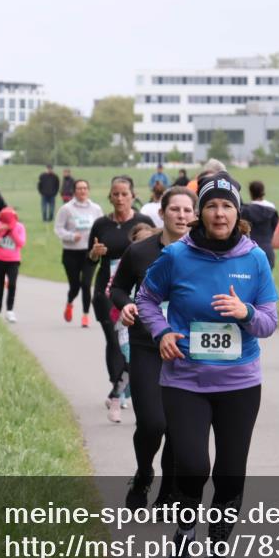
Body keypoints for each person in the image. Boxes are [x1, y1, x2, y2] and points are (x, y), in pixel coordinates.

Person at [137, 170, 278, 558]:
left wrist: (246, 313)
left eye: (227, 206)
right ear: (200, 212)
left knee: (231, 473)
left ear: (238, 213)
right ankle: (183, 535)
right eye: (212, 206)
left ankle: (216, 554)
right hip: (185, 380)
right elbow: (146, 299)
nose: (220, 214)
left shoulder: (254, 259)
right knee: (194, 466)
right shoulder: (176, 256)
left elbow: (269, 322)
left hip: (239, 383)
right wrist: (161, 330)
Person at [110, 186, 196, 512]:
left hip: (188, 350)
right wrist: (127, 305)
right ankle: (144, 473)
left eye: (188, 211)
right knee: (152, 423)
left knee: (178, 427)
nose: (182, 216)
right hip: (147, 345)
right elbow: (117, 288)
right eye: (175, 210)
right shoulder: (140, 252)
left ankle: (169, 493)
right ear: (162, 214)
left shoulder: (204, 253)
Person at [87, 177, 155, 422]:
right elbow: (89, 259)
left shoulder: (144, 223)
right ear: (110, 197)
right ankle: (118, 387)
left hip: (134, 290)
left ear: (132, 195)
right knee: (114, 343)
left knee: (131, 345)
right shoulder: (101, 225)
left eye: (124, 193)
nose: (119, 198)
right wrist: (94, 255)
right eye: (115, 194)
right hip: (107, 290)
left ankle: (120, 388)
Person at [55, 178, 103, 327]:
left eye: (85, 188)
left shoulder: (95, 209)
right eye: (79, 188)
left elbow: (102, 227)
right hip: (71, 252)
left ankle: (85, 315)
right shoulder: (67, 209)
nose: (82, 191)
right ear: (74, 191)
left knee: (86, 284)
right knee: (75, 286)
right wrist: (70, 236)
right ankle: (69, 303)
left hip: (89, 253)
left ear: (88, 190)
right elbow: (58, 228)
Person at [0, 207, 27, 323]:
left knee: (12, 284)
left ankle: (10, 310)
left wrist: (12, 230)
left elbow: (21, 243)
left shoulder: (19, 227)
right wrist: (0, 231)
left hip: (13, 260)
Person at [240, 180, 279, 269]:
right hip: (268, 250)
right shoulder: (272, 210)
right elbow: (276, 229)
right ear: (263, 191)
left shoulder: (245, 211)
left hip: (249, 249)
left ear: (250, 192)